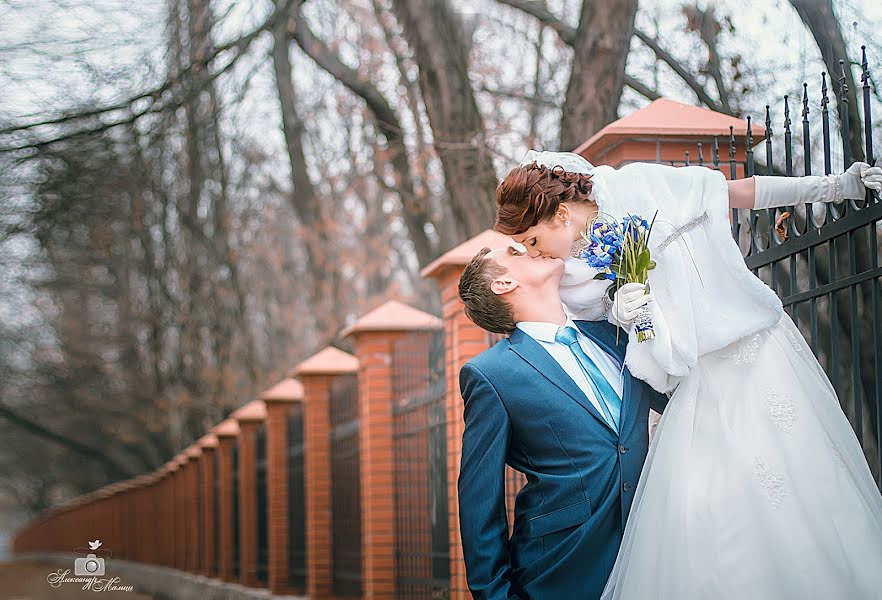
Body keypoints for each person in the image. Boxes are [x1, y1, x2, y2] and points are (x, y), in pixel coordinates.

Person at [493, 150, 882, 599]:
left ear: (558, 214)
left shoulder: (638, 184)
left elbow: (735, 193)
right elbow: (618, 343)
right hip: (696, 381)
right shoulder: (574, 277)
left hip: (756, 350)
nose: (539, 255)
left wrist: (835, 187)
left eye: (535, 241)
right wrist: (629, 317)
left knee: (805, 489)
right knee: (707, 511)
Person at [456, 243, 669, 599]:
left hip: (656, 550)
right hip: (563, 568)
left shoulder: (612, 335)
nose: (528, 246)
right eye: (513, 252)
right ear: (503, 284)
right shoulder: (490, 374)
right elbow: (480, 501)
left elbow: (678, 399)